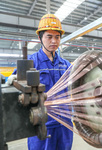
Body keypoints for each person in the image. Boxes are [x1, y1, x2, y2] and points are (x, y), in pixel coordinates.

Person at [27, 14, 73, 150]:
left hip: (64, 124)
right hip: (41, 125)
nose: (54, 41)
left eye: (57, 37)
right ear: (40, 38)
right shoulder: (31, 62)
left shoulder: (66, 65)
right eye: (49, 36)